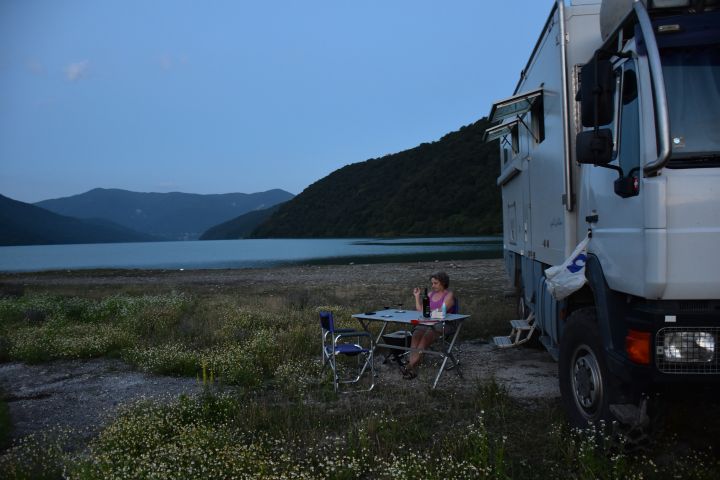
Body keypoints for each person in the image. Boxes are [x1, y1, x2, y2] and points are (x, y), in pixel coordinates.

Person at [401, 271, 455, 380]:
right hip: (428, 322)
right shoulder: (430, 294)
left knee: (426, 337)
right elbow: (420, 310)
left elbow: (441, 311)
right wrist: (417, 297)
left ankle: (409, 366)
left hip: (444, 323)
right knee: (416, 334)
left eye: (435, 283)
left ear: (443, 283)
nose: (433, 286)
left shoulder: (449, 295)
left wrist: (428, 312)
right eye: (432, 283)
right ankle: (413, 366)